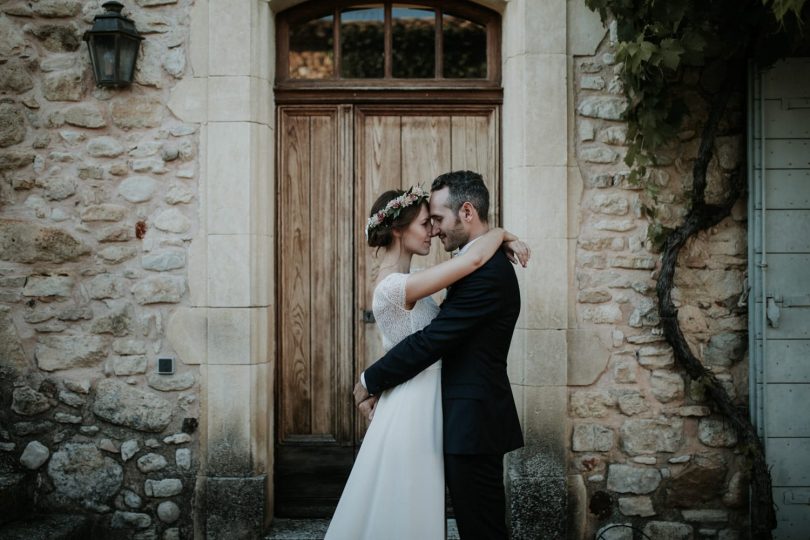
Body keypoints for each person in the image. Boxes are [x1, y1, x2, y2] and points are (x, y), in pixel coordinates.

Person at [324, 181, 529, 540]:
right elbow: (427, 340)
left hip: (451, 413)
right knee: (406, 507)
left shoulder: (437, 276)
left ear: (466, 212)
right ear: (398, 230)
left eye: (436, 220)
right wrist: (500, 233)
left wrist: (370, 381)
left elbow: (433, 336)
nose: (433, 231)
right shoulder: (396, 286)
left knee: (437, 512)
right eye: (426, 223)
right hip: (417, 407)